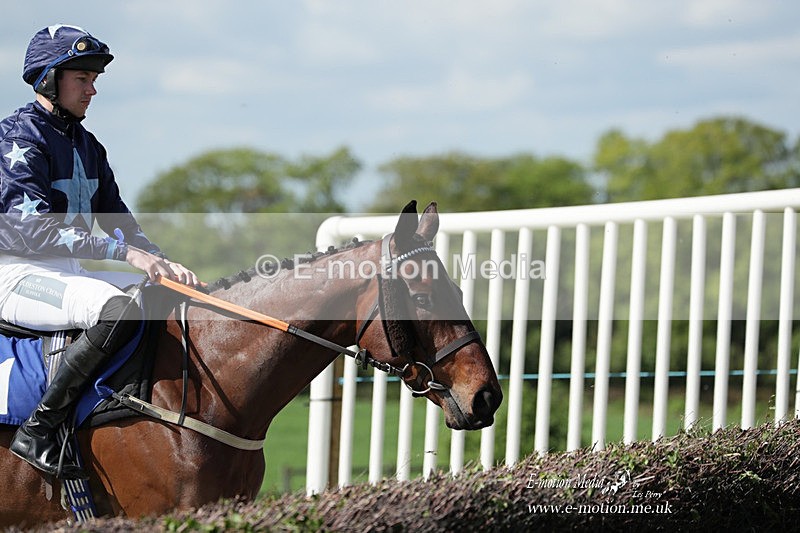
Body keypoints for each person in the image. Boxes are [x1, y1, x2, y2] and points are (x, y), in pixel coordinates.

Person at [0, 24, 199, 480]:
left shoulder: (88, 145)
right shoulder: (17, 137)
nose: (92, 90)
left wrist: (162, 263)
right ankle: (39, 429)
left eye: (94, 80)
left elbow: (120, 221)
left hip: (66, 272)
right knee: (117, 308)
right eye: (82, 79)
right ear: (49, 79)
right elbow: (31, 230)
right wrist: (123, 253)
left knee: (159, 298)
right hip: (15, 273)